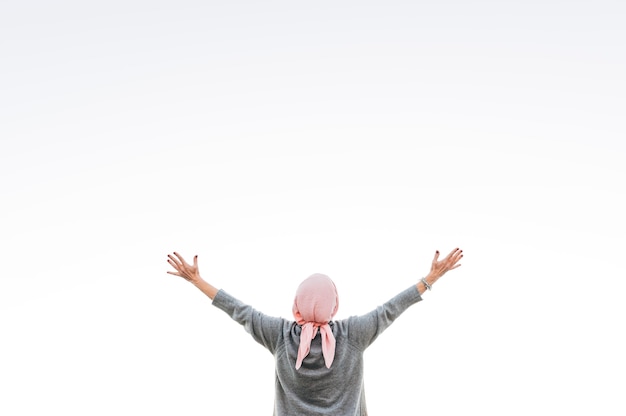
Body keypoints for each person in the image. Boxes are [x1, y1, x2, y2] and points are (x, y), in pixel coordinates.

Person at [166, 248, 463, 416]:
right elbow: (391, 309)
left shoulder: (279, 335)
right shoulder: (353, 334)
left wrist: (196, 281)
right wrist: (429, 279)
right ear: (333, 304)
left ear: (297, 303)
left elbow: (238, 310)